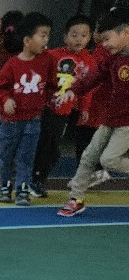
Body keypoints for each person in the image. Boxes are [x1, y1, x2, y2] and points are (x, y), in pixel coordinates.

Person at [57, 7, 129, 217]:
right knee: (89, 156)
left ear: (125, 32)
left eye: (107, 39)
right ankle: (76, 198)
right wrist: (73, 90)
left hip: (126, 123)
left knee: (109, 160)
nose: (104, 44)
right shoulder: (112, 58)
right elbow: (95, 76)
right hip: (110, 118)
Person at [0, 11, 54, 204]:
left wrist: (58, 95)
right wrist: (6, 99)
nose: (46, 40)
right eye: (42, 35)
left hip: (33, 120)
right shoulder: (11, 65)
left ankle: (22, 190)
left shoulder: (47, 60)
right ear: (27, 41)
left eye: (48, 35)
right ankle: (5, 187)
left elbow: (52, 85)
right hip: (11, 122)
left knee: (26, 157)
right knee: (6, 156)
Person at [30, 14, 94, 198]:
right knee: (45, 143)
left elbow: (88, 87)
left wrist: (85, 108)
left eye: (84, 35)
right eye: (74, 35)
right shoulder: (53, 55)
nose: (79, 39)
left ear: (89, 37)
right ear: (65, 37)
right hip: (48, 107)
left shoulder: (89, 61)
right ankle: (35, 178)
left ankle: (38, 177)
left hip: (67, 110)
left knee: (53, 146)